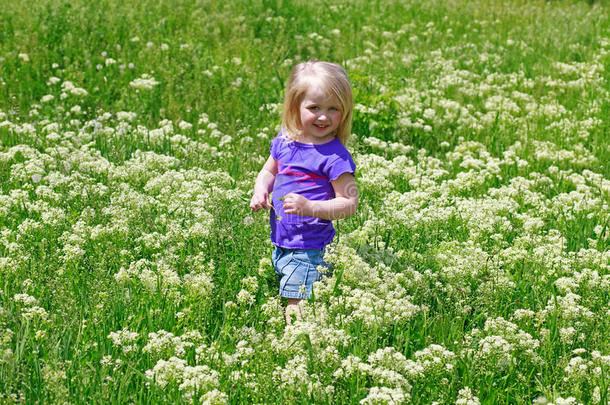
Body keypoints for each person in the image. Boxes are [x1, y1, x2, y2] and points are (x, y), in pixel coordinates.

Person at [250, 60, 358, 323]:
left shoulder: (335, 157)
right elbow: (269, 171)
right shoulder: (286, 140)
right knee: (293, 294)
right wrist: (260, 189)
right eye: (314, 108)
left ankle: (297, 345)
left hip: (310, 248)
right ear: (294, 106)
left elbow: (349, 203)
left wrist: (310, 208)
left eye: (333, 109)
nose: (323, 116)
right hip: (282, 241)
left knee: (297, 305)